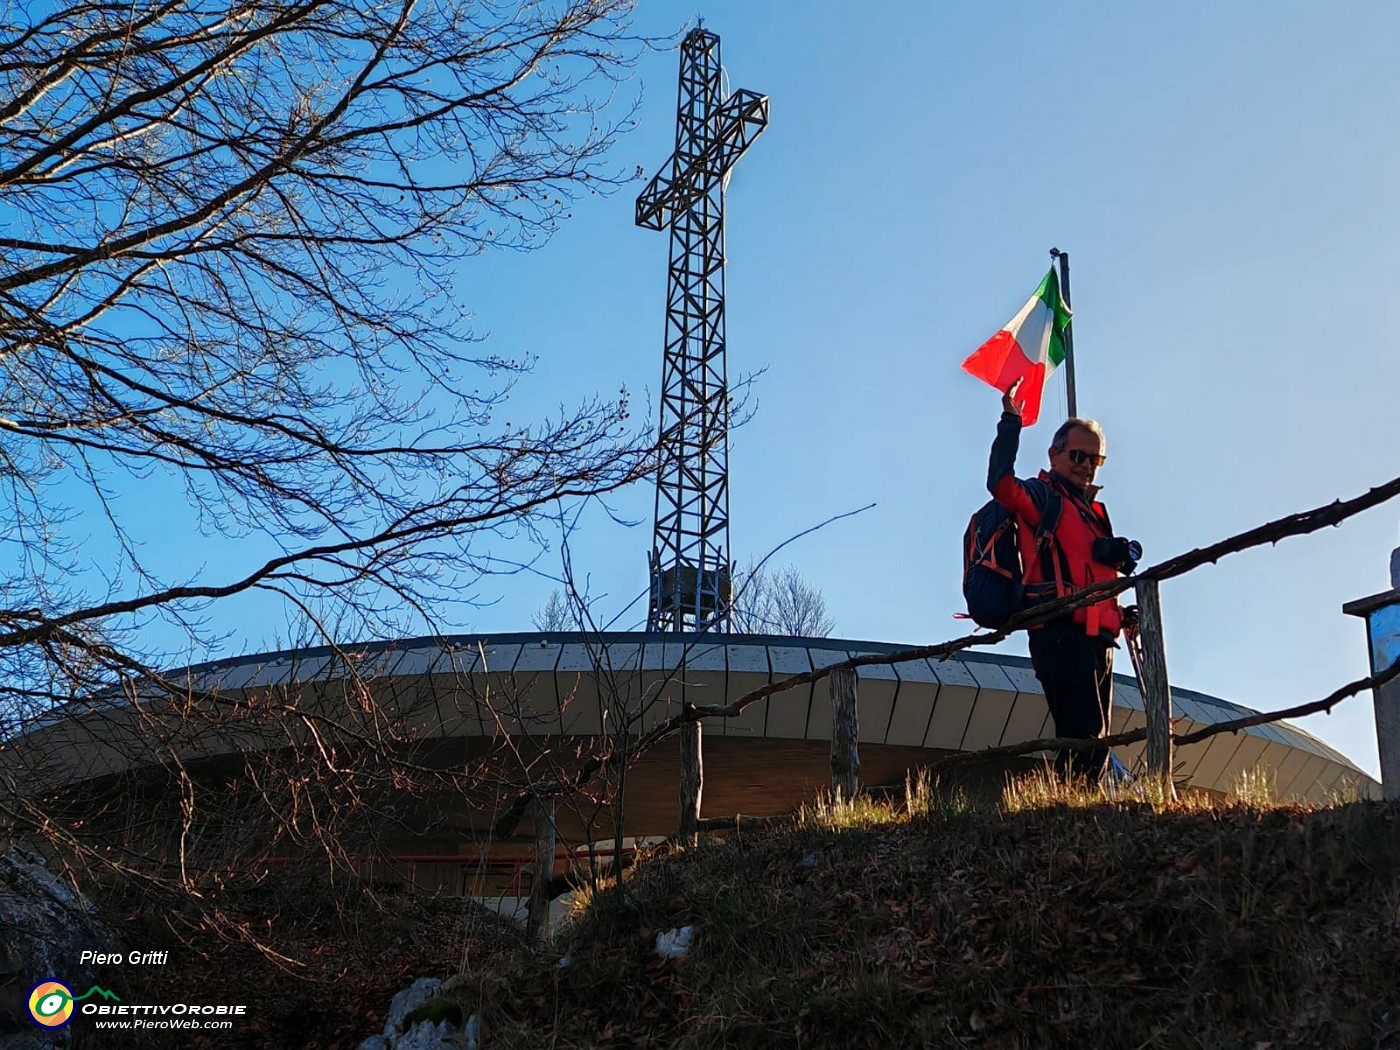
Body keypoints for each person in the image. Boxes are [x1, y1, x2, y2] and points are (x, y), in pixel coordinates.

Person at [987, 378, 1140, 781]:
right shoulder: (1043, 496)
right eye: (1077, 454)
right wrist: (1011, 421)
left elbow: (1092, 577)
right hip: (1059, 629)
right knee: (1084, 735)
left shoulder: (1095, 514)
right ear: (1054, 454)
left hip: (1099, 638)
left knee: (1094, 738)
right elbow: (1001, 484)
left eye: (1096, 459)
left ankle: (1075, 813)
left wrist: (1120, 614)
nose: (1086, 464)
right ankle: (1075, 819)